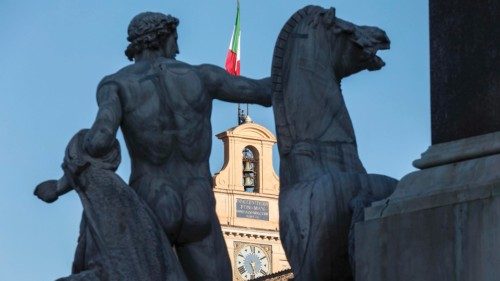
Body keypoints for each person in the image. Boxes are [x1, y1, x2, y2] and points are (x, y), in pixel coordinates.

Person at [60, 11, 270, 281]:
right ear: (160, 39)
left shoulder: (117, 84)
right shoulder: (202, 76)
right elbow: (264, 92)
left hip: (153, 201)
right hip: (198, 203)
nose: (178, 48)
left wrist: (67, 174)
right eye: (175, 39)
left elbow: (100, 140)